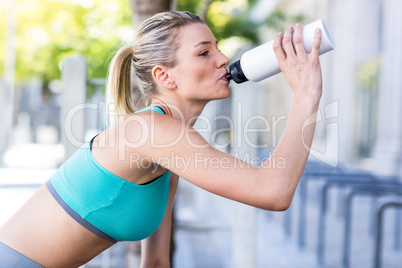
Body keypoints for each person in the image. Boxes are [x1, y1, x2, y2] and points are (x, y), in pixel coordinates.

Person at [0, 10, 322, 268]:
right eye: (204, 52)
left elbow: (156, 262)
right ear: (164, 76)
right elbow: (273, 192)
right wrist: (306, 96)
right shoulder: (153, 132)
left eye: (218, 48)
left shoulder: (169, 138)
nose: (223, 59)